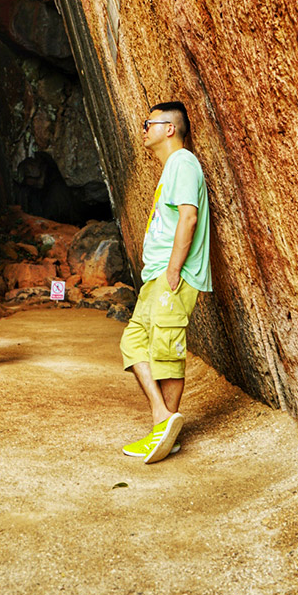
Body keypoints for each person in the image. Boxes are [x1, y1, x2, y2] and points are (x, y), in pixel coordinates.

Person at [120, 101, 212, 463]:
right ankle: (163, 419)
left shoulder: (183, 163)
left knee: (166, 349)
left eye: (149, 123)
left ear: (169, 129)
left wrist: (174, 270)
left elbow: (188, 218)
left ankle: (165, 434)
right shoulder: (171, 168)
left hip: (171, 275)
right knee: (134, 342)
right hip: (155, 276)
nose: (144, 129)